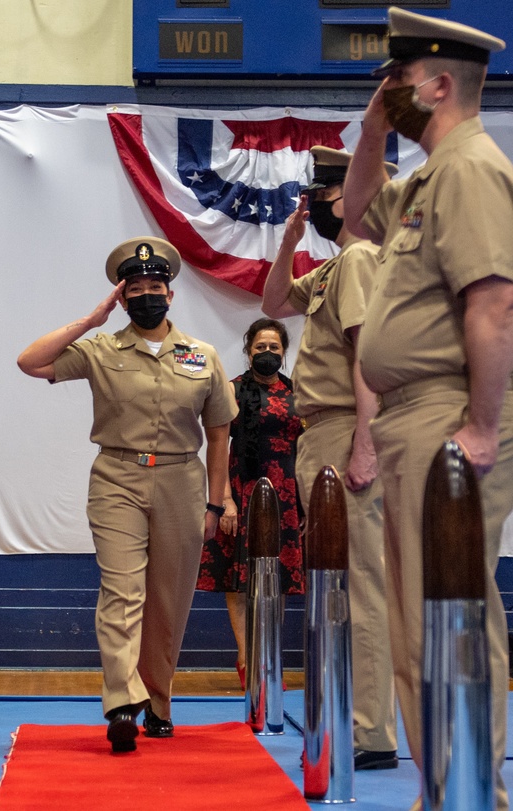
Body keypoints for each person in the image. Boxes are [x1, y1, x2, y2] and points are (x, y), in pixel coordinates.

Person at [342, 8, 513, 808]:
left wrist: (480, 426)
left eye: (400, 80)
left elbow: (493, 303)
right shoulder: (424, 180)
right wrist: (376, 125)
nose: (389, 91)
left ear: (440, 82)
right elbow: (353, 209)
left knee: (451, 614)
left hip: (449, 413)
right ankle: (444, 786)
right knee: (416, 625)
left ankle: (475, 788)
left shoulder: (472, 168)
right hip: (414, 418)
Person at [18, 237, 237, 754]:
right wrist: (90, 321)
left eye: (154, 287)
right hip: (117, 479)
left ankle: (158, 701)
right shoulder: (100, 350)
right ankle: (121, 701)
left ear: (170, 293)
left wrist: (216, 501)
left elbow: (220, 433)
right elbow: (30, 362)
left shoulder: (201, 356)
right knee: (122, 591)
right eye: (133, 289)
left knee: (169, 600)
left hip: (183, 483)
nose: (145, 295)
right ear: (121, 297)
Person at [264, 145, 399, 772]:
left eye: (320, 195)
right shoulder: (331, 266)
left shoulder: (362, 259)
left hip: (346, 428)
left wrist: (367, 443)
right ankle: (356, 714)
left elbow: (365, 352)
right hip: (321, 433)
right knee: (339, 580)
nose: (312, 204)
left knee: (362, 581)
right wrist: (291, 238)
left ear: (351, 197)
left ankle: (372, 730)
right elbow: (273, 304)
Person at [196, 318, 303, 689]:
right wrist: (224, 500)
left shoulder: (297, 394)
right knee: (237, 580)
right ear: (248, 350)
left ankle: (269, 656)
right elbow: (218, 446)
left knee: (279, 579)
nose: (268, 354)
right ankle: (247, 658)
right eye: (261, 347)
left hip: (285, 496)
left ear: (283, 352)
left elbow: (305, 449)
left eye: (275, 348)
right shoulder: (231, 390)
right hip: (239, 492)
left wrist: (303, 506)